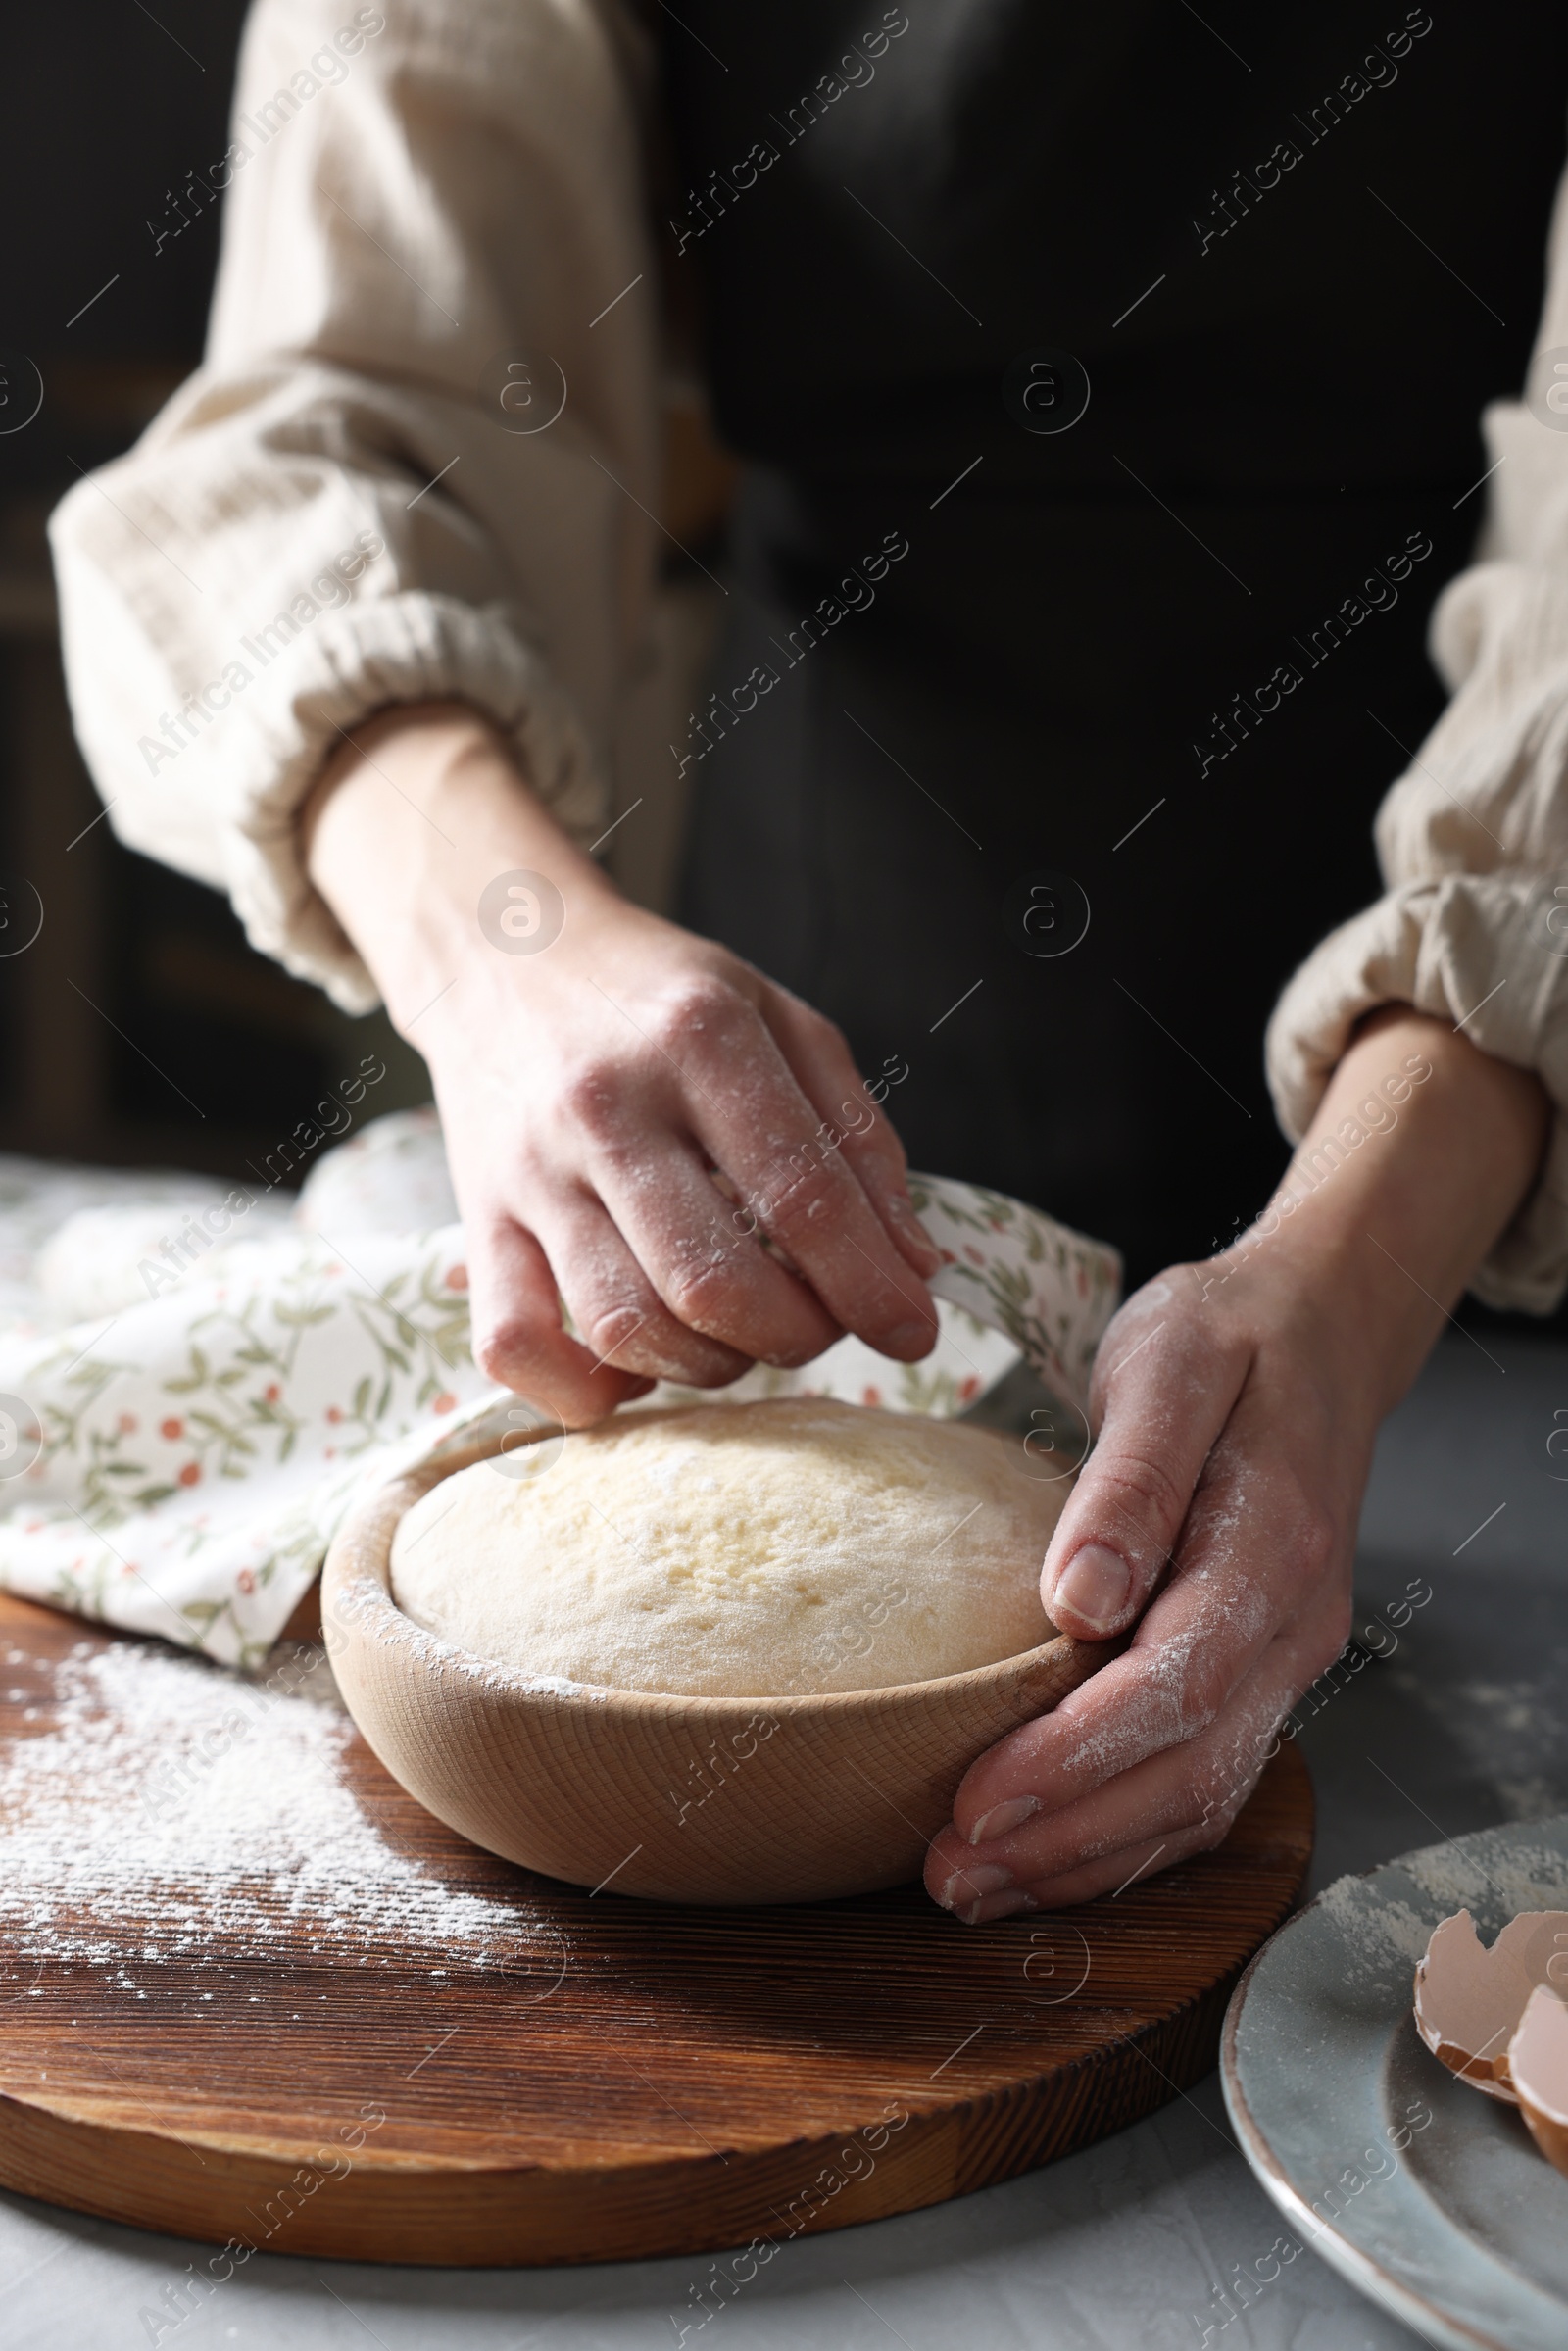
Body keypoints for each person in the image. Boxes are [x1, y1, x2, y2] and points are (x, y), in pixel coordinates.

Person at [50, 0, 1568, 1921]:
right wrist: (509, 951)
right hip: (843, 1021)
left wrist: (1352, 1287)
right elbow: (331, 413)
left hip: (1505, 1140)